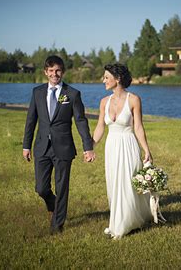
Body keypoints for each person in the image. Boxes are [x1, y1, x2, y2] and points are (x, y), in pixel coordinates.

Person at [22, 55, 95, 235]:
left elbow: (80, 121)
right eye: (51, 71)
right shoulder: (37, 92)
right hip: (42, 147)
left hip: (63, 148)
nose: (55, 74)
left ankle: (57, 224)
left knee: (62, 186)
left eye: (58, 70)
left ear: (63, 71)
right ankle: (54, 205)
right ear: (46, 72)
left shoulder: (72, 94)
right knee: (41, 188)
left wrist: (88, 147)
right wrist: (26, 145)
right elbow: (31, 120)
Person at [93, 63, 153, 239]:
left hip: (128, 145)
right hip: (111, 147)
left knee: (127, 185)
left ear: (117, 79)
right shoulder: (104, 102)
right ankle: (120, 220)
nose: (103, 80)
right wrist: (90, 146)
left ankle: (123, 225)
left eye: (106, 77)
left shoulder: (134, 100)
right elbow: (99, 128)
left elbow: (138, 127)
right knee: (114, 185)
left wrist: (146, 150)